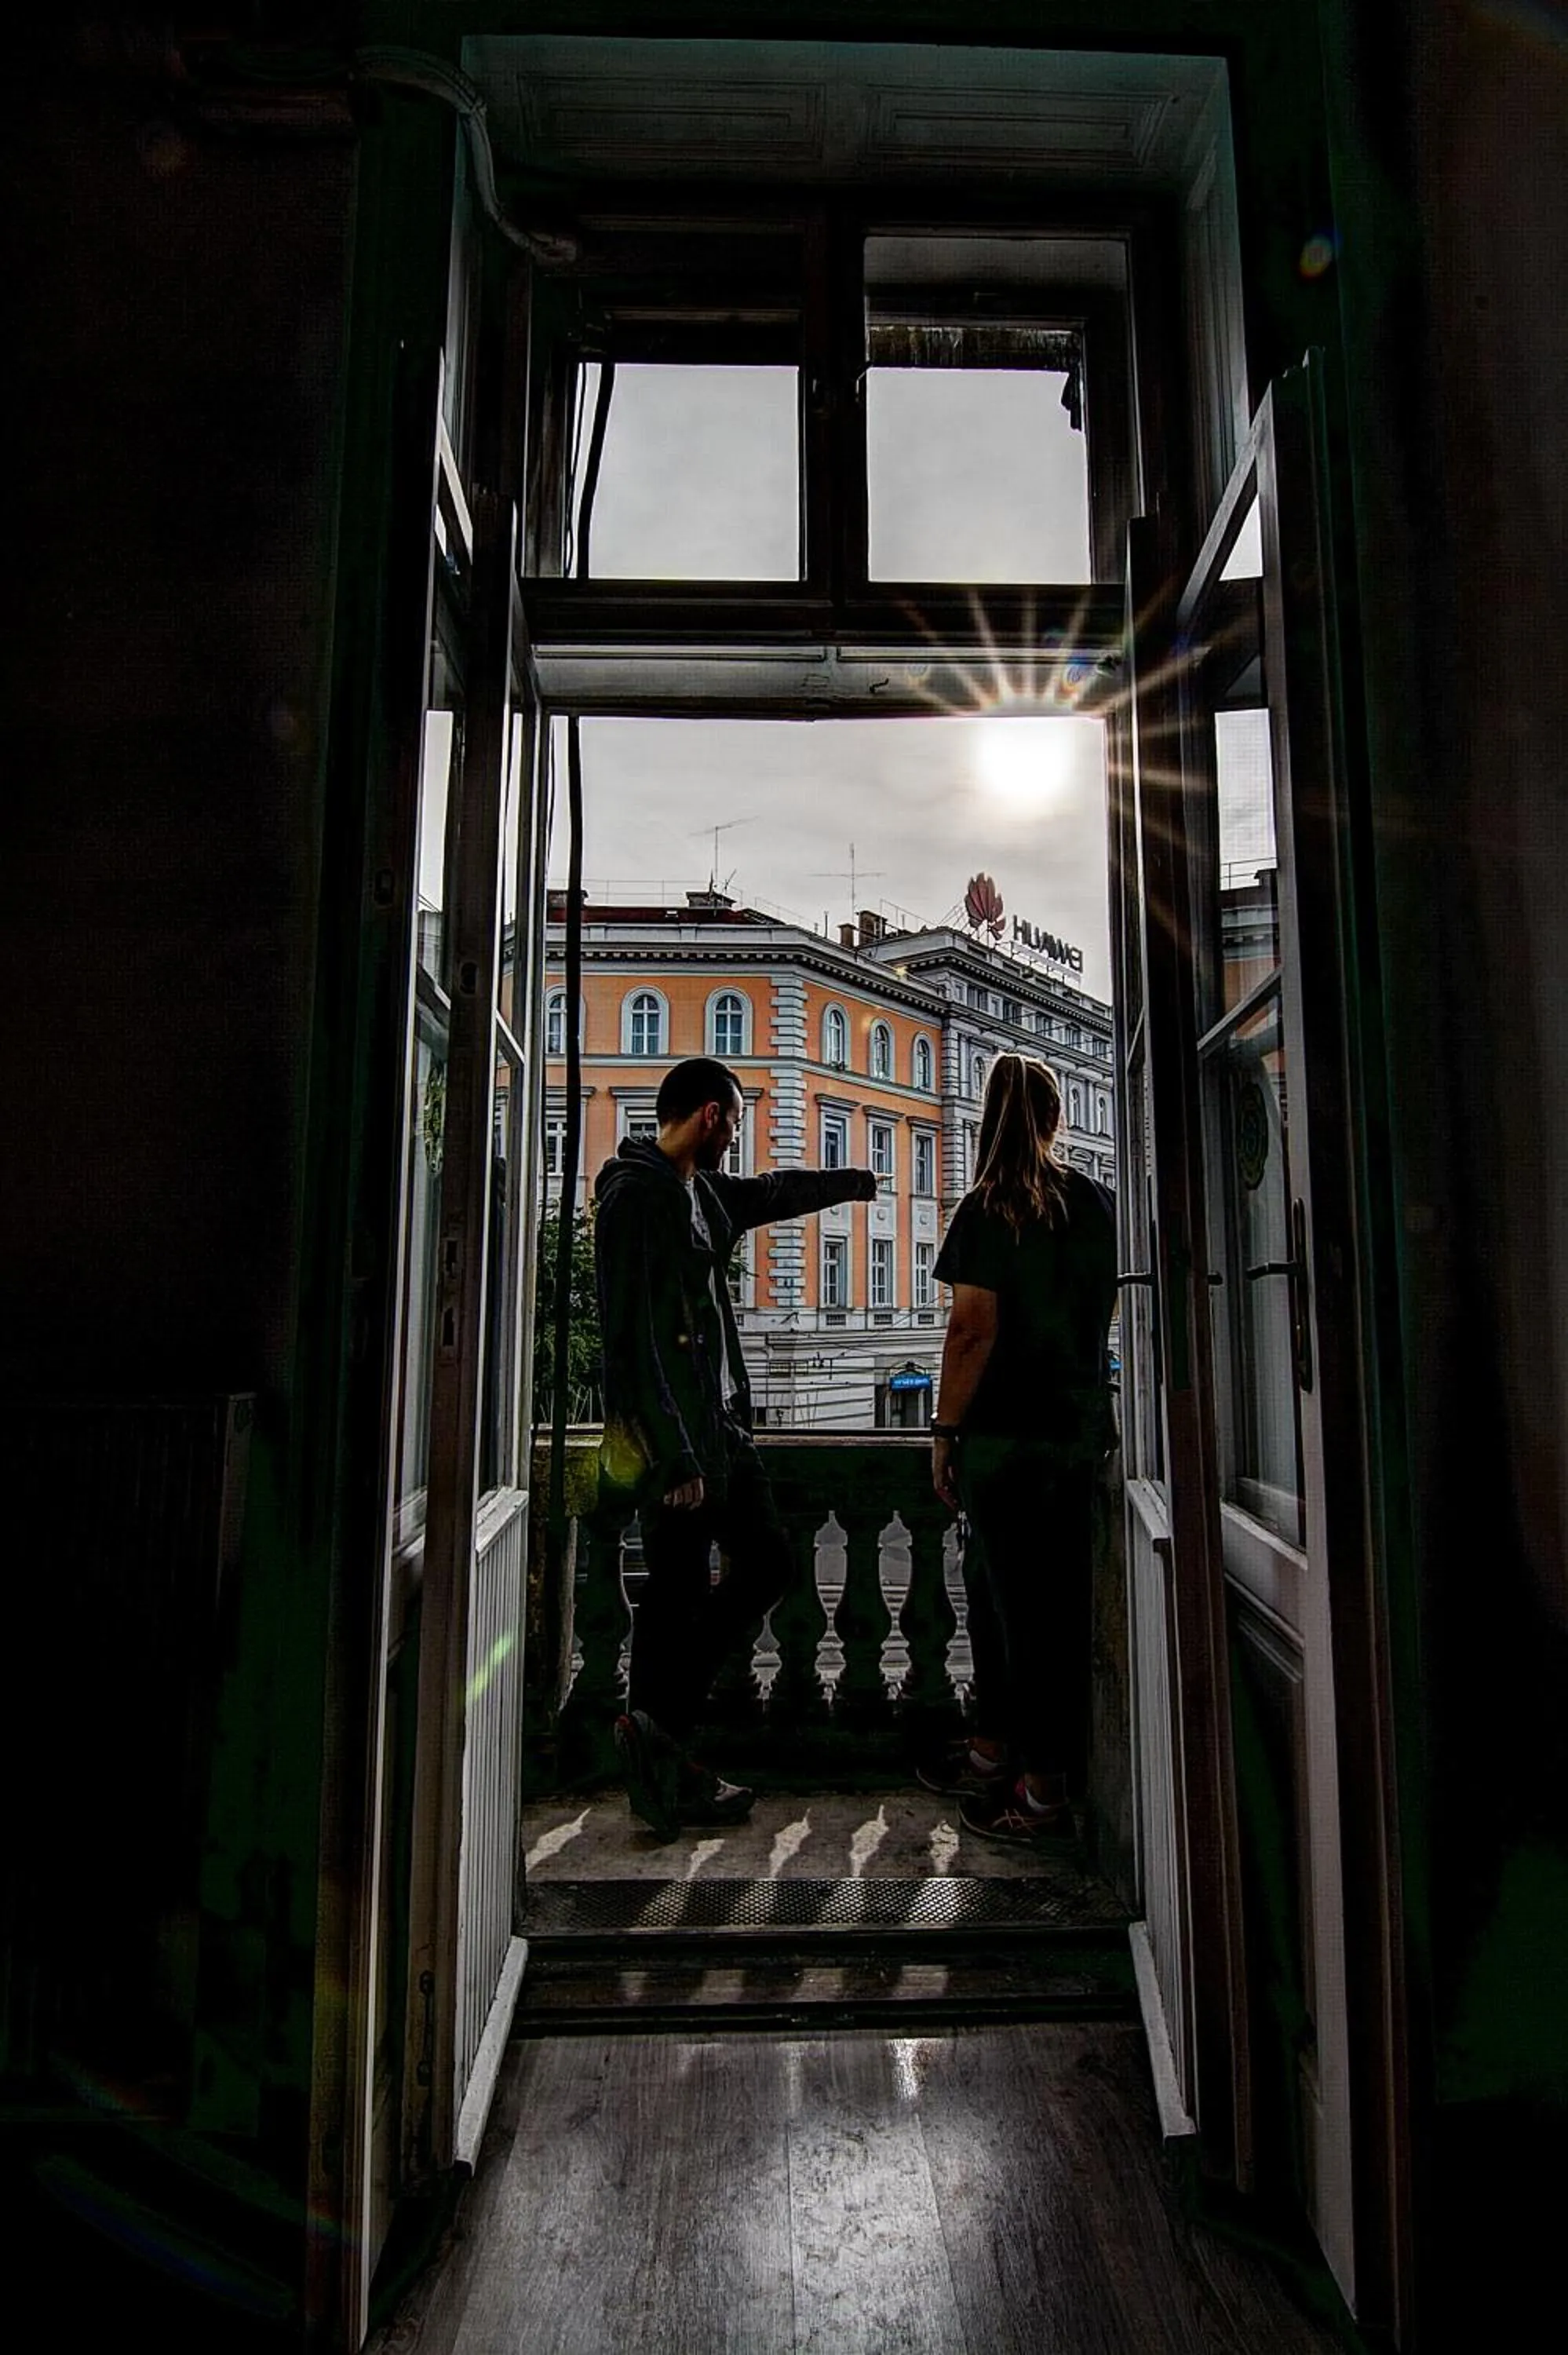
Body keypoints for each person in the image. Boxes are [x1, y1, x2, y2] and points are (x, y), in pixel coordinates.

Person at [593, 1055, 877, 1838]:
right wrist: (675, 1456)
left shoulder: (698, 1192)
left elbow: (774, 1192)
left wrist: (856, 1181)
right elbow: (634, 1341)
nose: (738, 1138)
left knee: (758, 1566)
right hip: (679, 1443)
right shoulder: (635, 1196)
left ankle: (656, 1735)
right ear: (712, 1116)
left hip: (720, 1428)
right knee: (678, 1593)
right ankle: (660, 1752)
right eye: (737, 1121)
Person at [922, 1053, 1118, 1847]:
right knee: (1026, 1608)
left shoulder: (985, 1209)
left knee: (1017, 1616)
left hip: (1003, 1440)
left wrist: (942, 1434)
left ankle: (1039, 1794)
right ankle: (993, 1750)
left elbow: (972, 1330)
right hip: (1074, 1433)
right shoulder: (1096, 1203)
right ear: (1054, 1119)